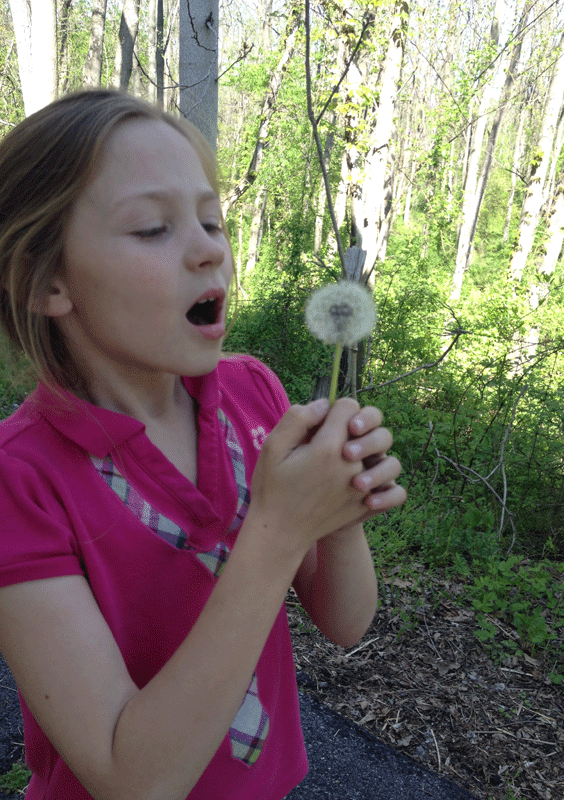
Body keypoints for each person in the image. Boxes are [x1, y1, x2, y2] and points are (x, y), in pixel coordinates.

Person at [0, 89, 406, 800]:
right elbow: (135, 779)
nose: (208, 248)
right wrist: (279, 529)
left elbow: (345, 623)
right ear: (44, 281)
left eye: (211, 220)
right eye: (154, 228)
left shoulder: (256, 396)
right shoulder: (20, 479)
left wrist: (338, 513)